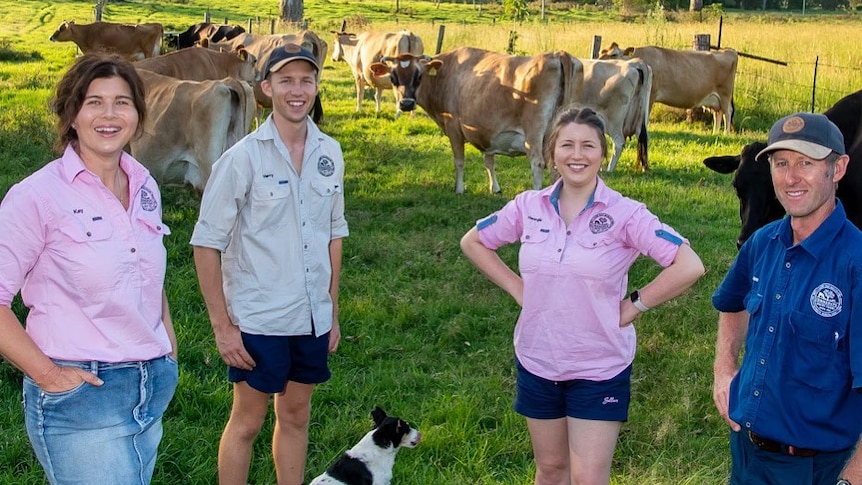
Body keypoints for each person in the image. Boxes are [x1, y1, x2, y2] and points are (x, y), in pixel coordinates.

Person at [460, 106, 705, 485]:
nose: (577, 155)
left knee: (588, 479)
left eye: (588, 146)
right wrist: (516, 287)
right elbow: (473, 241)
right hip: (538, 359)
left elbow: (689, 264)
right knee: (551, 471)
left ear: (602, 155)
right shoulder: (529, 206)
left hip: (599, 367)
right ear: (551, 152)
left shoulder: (625, 213)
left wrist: (635, 305)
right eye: (567, 145)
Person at [0, 52, 178, 485]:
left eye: (122, 102)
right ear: (71, 113)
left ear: (138, 112)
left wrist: (167, 348)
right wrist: (49, 375)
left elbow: (148, 276)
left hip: (149, 386)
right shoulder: (37, 197)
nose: (109, 114)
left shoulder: (144, 184)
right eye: (94, 101)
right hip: (82, 396)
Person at [190, 43, 348, 485]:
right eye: (286, 81)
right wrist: (223, 326)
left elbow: (334, 233)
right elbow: (205, 244)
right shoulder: (242, 159)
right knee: (247, 422)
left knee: (297, 415)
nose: (297, 91)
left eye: (306, 80)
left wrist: (331, 309)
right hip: (260, 318)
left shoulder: (329, 153)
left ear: (316, 87)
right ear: (266, 88)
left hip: (311, 316)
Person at [712, 112, 862, 485]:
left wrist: (851, 479)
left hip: (816, 468)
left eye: (806, 163)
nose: (790, 178)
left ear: (838, 169)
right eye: (781, 163)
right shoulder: (763, 242)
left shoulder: (856, 262)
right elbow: (732, 303)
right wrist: (724, 370)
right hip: (746, 454)